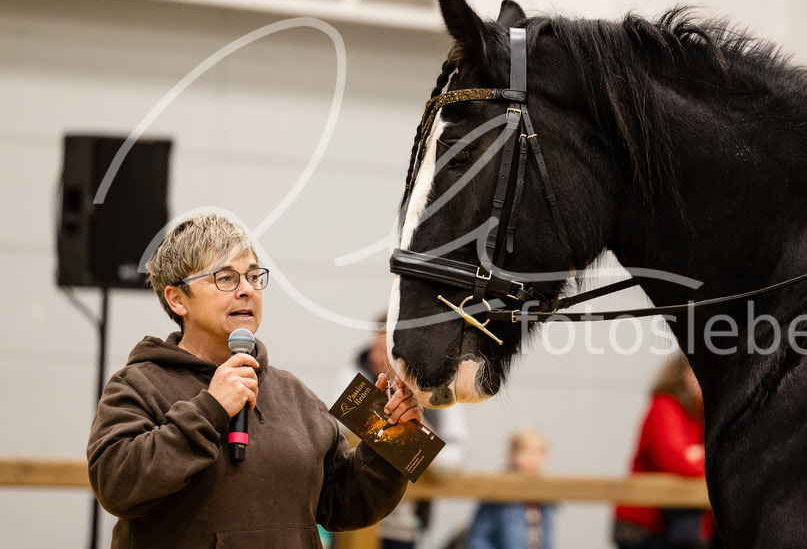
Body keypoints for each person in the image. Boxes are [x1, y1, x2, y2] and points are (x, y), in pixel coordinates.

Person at [86, 213, 423, 547]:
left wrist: (392, 437)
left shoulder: (295, 394)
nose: (247, 290)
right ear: (177, 299)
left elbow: (343, 505)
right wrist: (210, 408)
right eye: (226, 278)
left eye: (253, 277)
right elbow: (116, 485)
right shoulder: (138, 385)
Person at [330, 325, 470, 549]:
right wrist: (413, 435)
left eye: (386, 350)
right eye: (374, 348)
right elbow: (342, 426)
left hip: (406, 525)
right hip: (353, 518)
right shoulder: (352, 377)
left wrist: (415, 428)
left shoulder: (438, 391)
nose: (377, 357)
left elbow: (455, 458)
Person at [613, 355, 715, 549]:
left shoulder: (699, 414)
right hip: (644, 525)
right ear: (682, 374)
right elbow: (675, 461)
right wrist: (705, 462)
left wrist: (697, 457)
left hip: (679, 527)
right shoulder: (664, 407)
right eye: (697, 370)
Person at [466, 427, 555, 549]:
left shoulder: (544, 497)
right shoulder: (498, 492)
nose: (533, 458)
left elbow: (546, 537)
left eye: (540, 452)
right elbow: (478, 537)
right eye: (527, 451)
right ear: (512, 454)